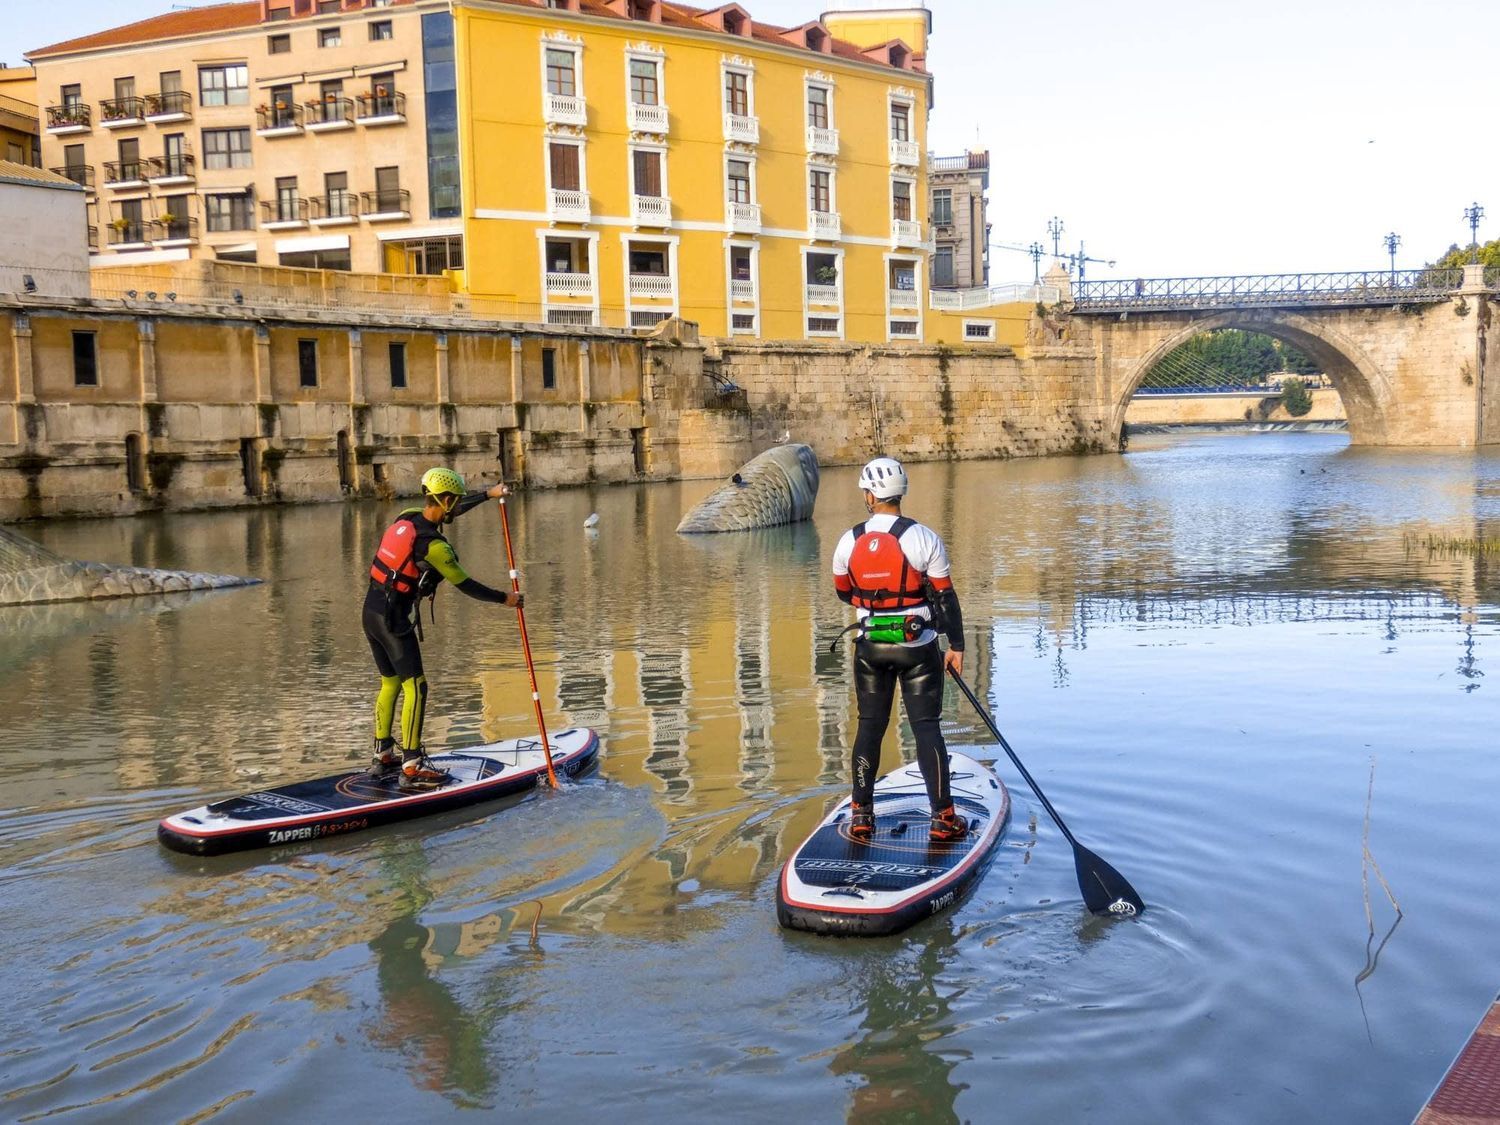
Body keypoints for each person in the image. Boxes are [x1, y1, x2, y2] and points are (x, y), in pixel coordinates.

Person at [832, 456, 968, 842]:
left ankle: (861, 816)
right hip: (917, 648)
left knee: (870, 728)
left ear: (870, 495)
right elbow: (946, 598)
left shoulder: (849, 540)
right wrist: (955, 646)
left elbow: (844, 592)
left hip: (870, 647)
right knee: (926, 729)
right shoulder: (923, 537)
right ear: (900, 493)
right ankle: (943, 819)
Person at [364, 466, 522, 790]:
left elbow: (452, 512)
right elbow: (466, 585)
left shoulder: (407, 517)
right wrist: (505, 598)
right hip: (393, 621)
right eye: (455, 500)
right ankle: (411, 765)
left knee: (390, 683)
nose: (456, 506)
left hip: (370, 612)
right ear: (445, 499)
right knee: (417, 687)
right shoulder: (435, 547)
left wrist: (488, 496)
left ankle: (382, 755)